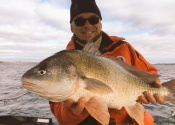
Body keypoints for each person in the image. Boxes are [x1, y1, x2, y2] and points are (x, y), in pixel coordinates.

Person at [49, 0, 164, 124]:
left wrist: (154, 88)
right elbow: (61, 116)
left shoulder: (124, 48)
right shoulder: (61, 64)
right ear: (71, 27)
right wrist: (74, 111)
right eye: (79, 21)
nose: (87, 25)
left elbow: (150, 74)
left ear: (100, 23)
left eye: (93, 19)